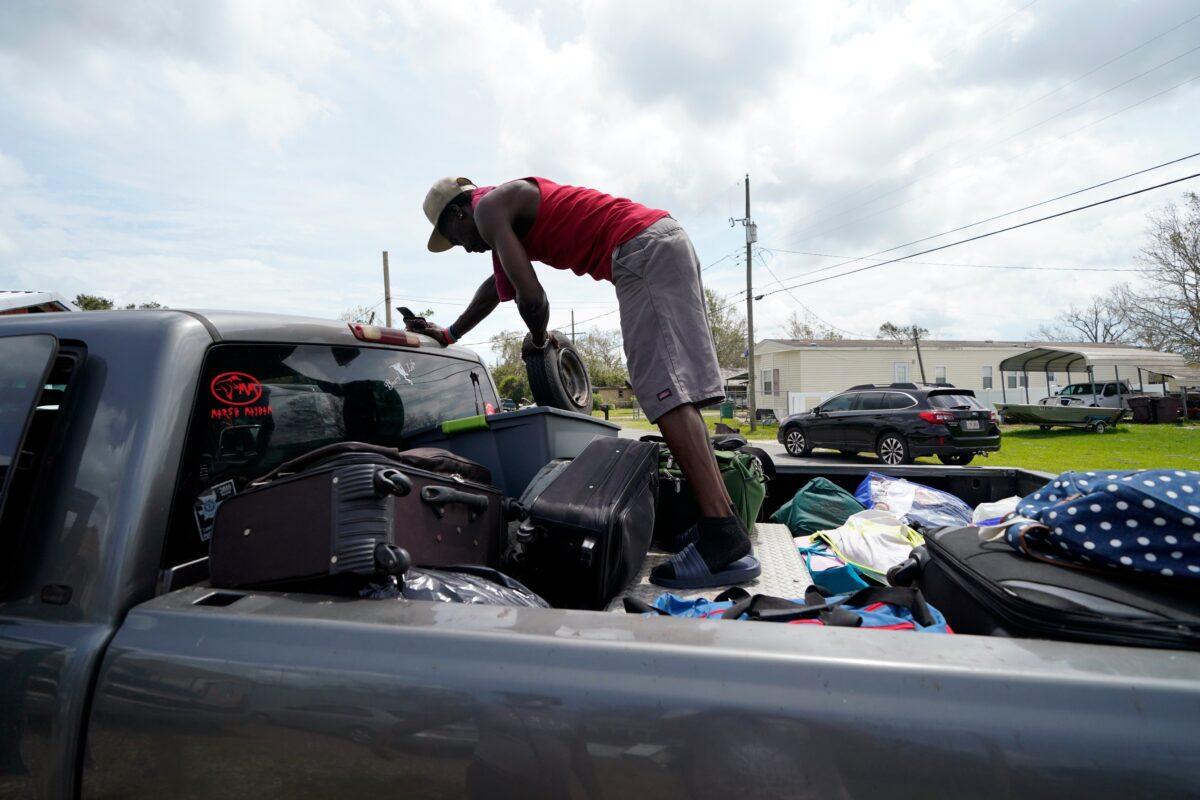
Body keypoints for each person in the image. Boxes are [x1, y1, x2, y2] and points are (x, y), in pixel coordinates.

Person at [413, 176, 759, 589]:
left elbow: (533, 299)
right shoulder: (498, 209)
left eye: (454, 237)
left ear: (459, 212)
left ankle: (722, 536)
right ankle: (720, 524)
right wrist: (450, 334)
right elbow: (496, 289)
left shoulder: (489, 210)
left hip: (640, 249)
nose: (464, 248)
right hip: (660, 241)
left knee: (665, 394)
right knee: (675, 393)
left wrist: (540, 343)